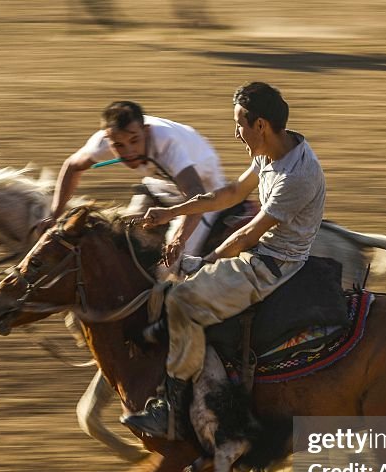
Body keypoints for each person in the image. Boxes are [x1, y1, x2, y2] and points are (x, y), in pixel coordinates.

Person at [122, 82, 326, 440]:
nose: (236, 134)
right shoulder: (271, 150)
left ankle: (170, 411)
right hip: (256, 253)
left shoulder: (297, 175)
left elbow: (248, 234)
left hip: (270, 266)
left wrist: (204, 262)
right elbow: (231, 194)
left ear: (260, 125)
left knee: (182, 301)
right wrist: (171, 211)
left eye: (239, 125)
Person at [39, 100, 230, 264]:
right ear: (108, 139)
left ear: (146, 131)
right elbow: (72, 167)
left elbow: (196, 194)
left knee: (173, 260)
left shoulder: (169, 144)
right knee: (120, 236)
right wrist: (54, 215)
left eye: (134, 140)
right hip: (159, 183)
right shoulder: (103, 141)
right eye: (119, 145)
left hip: (206, 189)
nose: (128, 151)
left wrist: (179, 239)